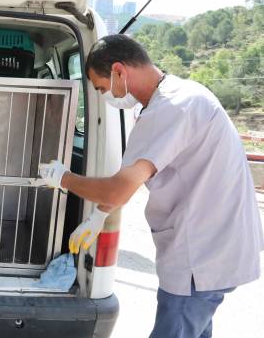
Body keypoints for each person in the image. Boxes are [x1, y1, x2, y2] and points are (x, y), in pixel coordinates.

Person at [35, 34, 263, 338]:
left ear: (119, 71)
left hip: (199, 258)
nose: (105, 96)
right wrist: (99, 215)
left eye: (101, 88)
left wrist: (64, 178)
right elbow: (133, 177)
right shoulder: (183, 96)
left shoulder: (170, 107)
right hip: (213, 251)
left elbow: (119, 188)